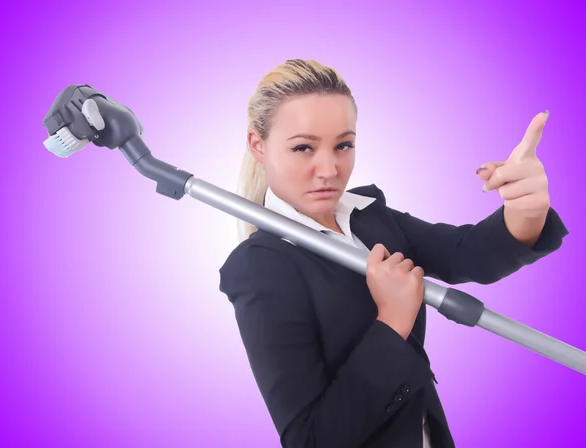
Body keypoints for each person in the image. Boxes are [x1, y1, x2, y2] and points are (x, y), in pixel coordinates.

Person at [218, 59, 569, 448]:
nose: (329, 169)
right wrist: (392, 321)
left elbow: (466, 255)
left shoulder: (368, 217)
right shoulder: (260, 267)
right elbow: (310, 439)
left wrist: (526, 211)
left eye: (343, 145)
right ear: (258, 145)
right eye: (303, 147)